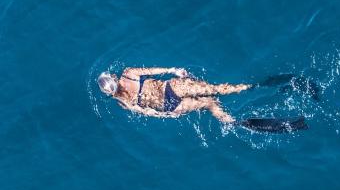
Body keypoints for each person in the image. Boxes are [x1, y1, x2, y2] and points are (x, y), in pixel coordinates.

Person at [97, 66, 307, 132]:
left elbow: (147, 112)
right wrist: (175, 70)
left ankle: (235, 123)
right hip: (173, 87)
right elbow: (156, 69)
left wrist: (170, 114)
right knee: (220, 90)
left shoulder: (122, 102)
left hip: (170, 105)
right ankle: (257, 86)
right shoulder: (128, 73)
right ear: (113, 77)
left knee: (209, 103)